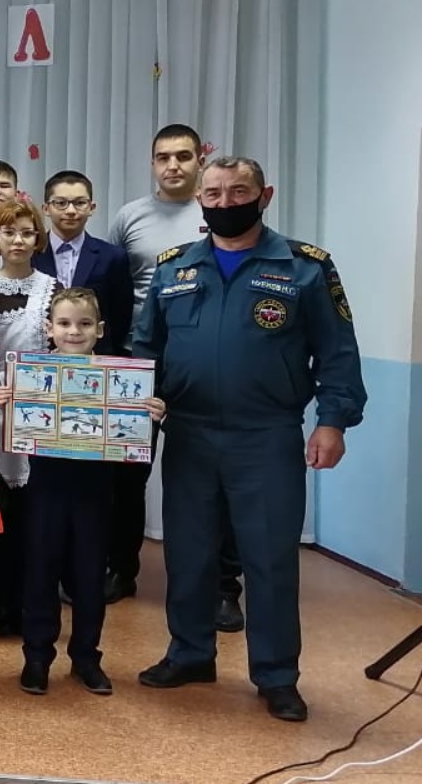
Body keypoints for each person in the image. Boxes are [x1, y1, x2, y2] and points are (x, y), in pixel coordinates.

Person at [132, 155, 364, 722]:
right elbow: (145, 350)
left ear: (265, 195)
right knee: (188, 553)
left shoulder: (305, 267)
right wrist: (133, 411)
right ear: (200, 199)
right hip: (188, 432)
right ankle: (190, 654)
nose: (225, 203)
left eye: (239, 192)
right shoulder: (174, 268)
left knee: (270, 558)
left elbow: (337, 351)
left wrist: (333, 420)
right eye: (213, 194)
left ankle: (277, 675)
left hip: (267, 435)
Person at [0, 289, 166, 696]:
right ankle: (37, 657)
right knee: (40, 573)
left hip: (95, 493)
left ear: (100, 330)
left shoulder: (122, 379)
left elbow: (133, 434)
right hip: (45, 491)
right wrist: (8, 403)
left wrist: (153, 414)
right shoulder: (32, 374)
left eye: (85, 324)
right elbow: (20, 426)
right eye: (65, 323)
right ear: (49, 328)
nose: (74, 331)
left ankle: (86, 657)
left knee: (90, 578)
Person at [108, 124, 244, 622]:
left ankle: (224, 587)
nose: (173, 165)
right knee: (127, 476)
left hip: (202, 366)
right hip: (138, 361)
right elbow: (115, 287)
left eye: (183, 156)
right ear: (152, 162)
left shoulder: (218, 213)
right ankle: (120, 570)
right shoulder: (130, 217)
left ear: (199, 161)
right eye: (163, 156)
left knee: (214, 477)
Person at [0, 200, 61, 636]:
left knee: (35, 515)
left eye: (26, 232)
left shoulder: (54, 289)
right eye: (9, 232)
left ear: (38, 239)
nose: (18, 240)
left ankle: (32, 606)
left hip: (40, 409)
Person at [35, 171, 134, 358]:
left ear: (91, 207)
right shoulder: (31, 254)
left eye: (80, 203)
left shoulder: (112, 257)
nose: (71, 211)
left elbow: (120, 317)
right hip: (39, 360)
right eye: (61, 203)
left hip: (96, 360)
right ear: (46, 208)